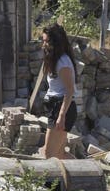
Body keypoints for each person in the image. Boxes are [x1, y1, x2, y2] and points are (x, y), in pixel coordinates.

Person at [40, 23, 77, 159]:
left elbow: (69, 90)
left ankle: (87, 174)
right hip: (55, 107)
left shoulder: (63, 62)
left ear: (54, 42)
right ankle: (85, 174)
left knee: (49, 154)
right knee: (60, 155)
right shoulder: (56, 61)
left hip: (61, 108)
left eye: (46, 41)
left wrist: (61, 116)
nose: (43, 45)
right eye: (43, 41)